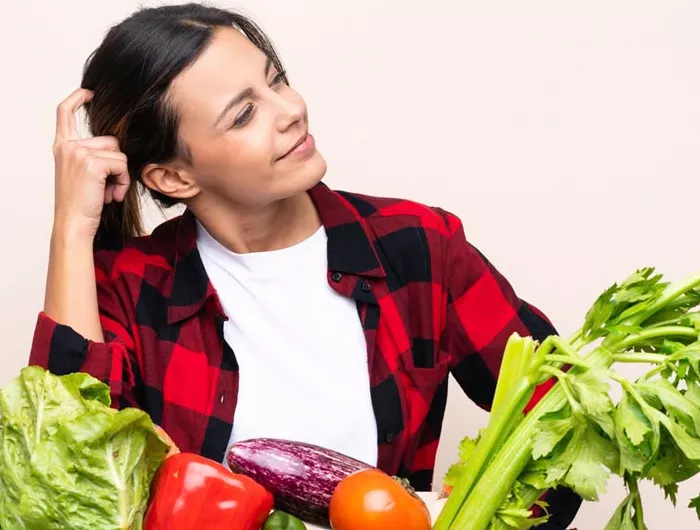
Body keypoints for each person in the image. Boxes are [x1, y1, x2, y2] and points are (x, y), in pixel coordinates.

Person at [29, 3, 580, 527]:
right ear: (174, 178)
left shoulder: (418, 246)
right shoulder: (128, 285)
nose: (290, 110)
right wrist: (72, 230)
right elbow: (65, 485)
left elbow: (568, 415)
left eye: (276, 80)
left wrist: (464, 520)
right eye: (244, 113)